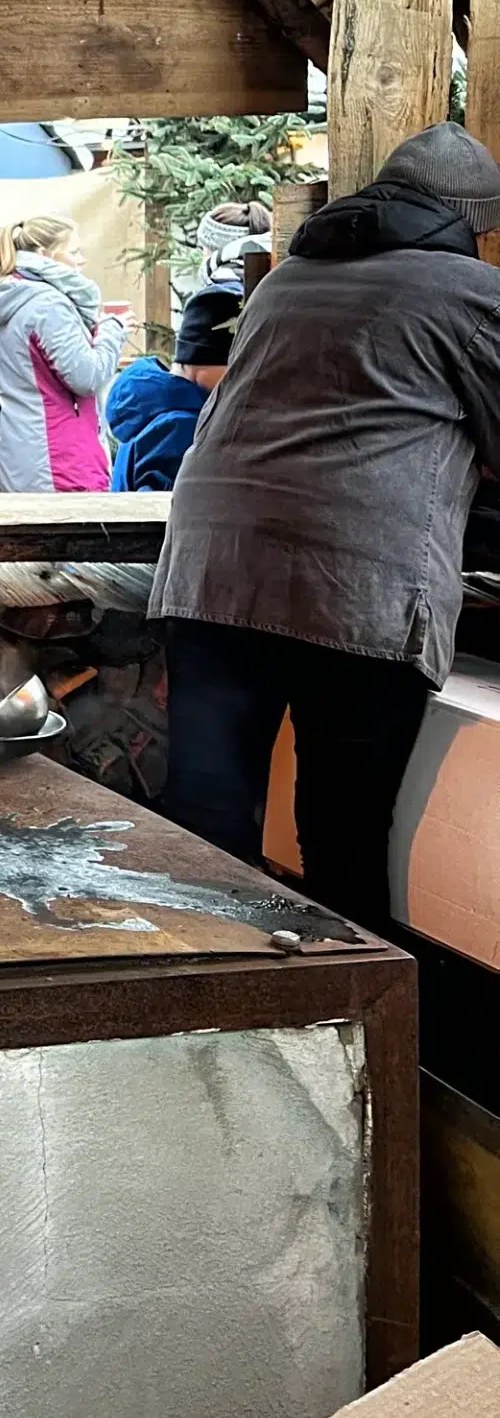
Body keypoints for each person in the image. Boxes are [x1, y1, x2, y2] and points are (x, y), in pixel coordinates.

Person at [152, 124, 500, 930]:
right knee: (341, 836)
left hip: (211, 572)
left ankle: (203, 1013)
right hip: (352, 588)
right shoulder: (470, 290)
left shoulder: (288, 278)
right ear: (471, 222)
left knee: (208, 818)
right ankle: (348, 1034)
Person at [0, 214, 130, 493]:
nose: (82, 260)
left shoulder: (11, 298)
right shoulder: (48, 306)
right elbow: (87, 376)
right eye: (74, 252)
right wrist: (113, 330)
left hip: (24, 449)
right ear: (44, 255)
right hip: (59, 457)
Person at [104, 288, 240, 492]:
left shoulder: (154, 408)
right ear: (201, 366)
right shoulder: (180, 427)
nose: (244, 377)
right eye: (234, 367)